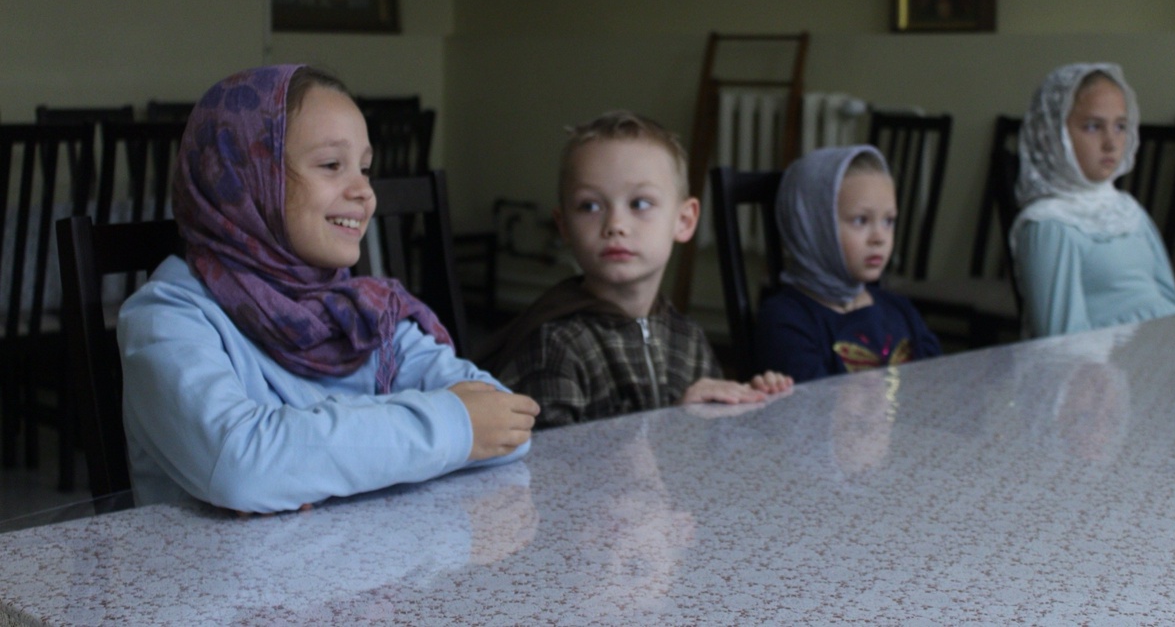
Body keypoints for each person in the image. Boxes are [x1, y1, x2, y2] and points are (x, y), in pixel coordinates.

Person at [117, 64, 538, 514]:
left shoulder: (360, 312)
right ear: (244, 177)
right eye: (331, 165)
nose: (364, 192)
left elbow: (505, 424)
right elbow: (243, 467)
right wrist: (442, 429)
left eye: (365, 168)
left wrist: (303, 463)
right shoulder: (165, 320)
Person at [486, 111, 792, 428]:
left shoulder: (687, 338)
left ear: (684, 220)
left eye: (640, 204)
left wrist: (749, 400)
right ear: (564, 225)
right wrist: (674, 421)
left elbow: (709, 439)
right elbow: (552, 456)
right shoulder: (555, 345)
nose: (615, 224)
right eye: (590, 206)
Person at [1011, 62, 1175, 338]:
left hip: (1166, 342)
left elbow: (1170, 297)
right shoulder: (1050, 224)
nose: (1111, 143)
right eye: (1093, 127)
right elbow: (1062, 339)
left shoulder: (1126, 209)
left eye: (1120, 127)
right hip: (1113, 359)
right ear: (1055, 135)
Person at [754, 145, 942, 382]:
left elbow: (937, 383)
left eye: (888, 221)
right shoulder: (786, 320)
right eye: (861, 220)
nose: (879, 238)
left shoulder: (901, 311)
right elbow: (812, 402)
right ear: (816, 228)